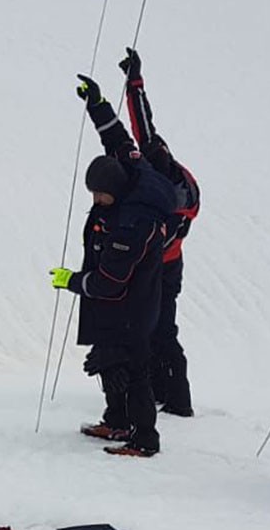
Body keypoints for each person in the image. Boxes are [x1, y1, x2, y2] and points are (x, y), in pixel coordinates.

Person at [49, 74, 180, 457]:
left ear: (117, 191)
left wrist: (72, 281)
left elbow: (109, 281)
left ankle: (144, 439)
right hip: (117, 306)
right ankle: (117, 420)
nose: (97, 199)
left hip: (133, 306)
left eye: (100, 195)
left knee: (134, 368)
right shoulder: (129, 171)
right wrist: (97, 104)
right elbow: (118, 138)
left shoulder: (133, 222)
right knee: (108, 359)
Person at [113, 48, 202, 416]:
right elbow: (142, 123)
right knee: (148, 328)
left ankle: (177, 400)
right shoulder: (158, 161)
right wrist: (134, 80)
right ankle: (158, 389)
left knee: (161, 329)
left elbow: (152, 242)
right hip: (158, 263)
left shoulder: (178, 201)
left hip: (163, 268)